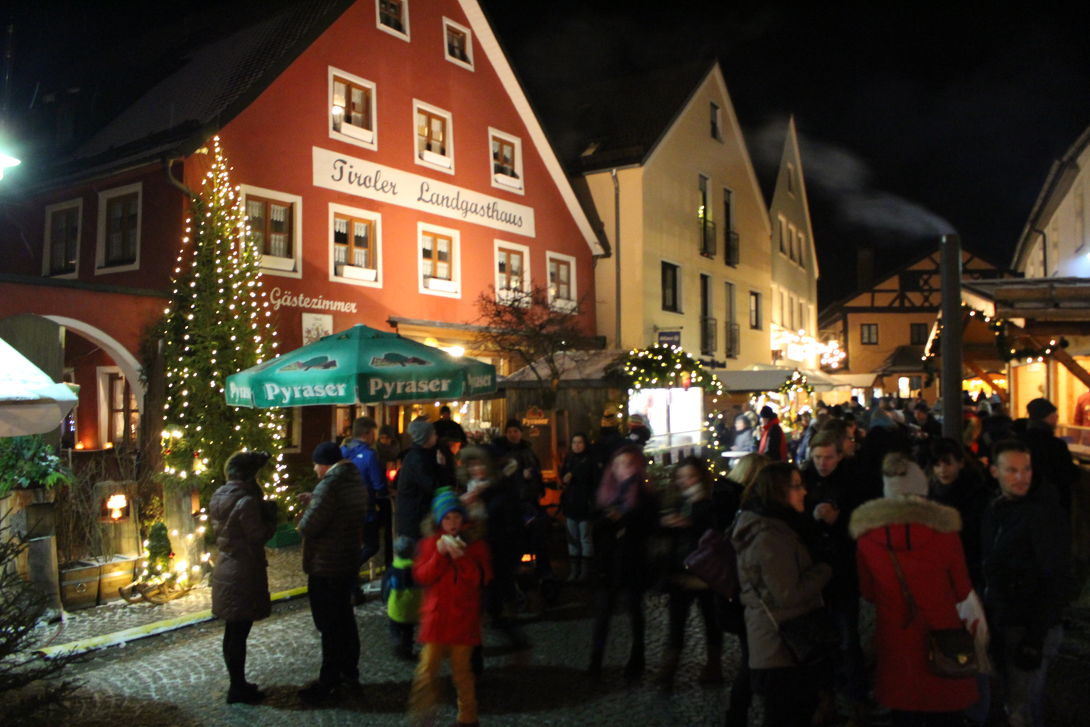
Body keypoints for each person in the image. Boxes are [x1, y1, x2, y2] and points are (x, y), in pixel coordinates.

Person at [850, 453, 979, 726]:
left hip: (895, 635)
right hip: (942, 638)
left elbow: (868, 592)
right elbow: (961, 589)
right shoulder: (945, 533)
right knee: (944, 713)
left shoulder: (867, 539)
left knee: (904, 711)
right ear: (923, 490)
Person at [731, 462, 832, 727]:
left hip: (784, 646)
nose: (804, 492)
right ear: (777, 492)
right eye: (796, 486)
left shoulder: (780, 526)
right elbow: (788, 593)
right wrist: (825, 569)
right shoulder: (768, 536)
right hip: (778, 649)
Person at [982, 440, 1070, 727]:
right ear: (994, 471)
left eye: (1026, 469)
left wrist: (1035, 635)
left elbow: (1053, 576)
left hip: (1030, 625)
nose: (1021, 477)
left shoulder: (1041, 515)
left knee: (1024, 706)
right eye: (1012, 470)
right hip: (1004, 619)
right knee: (1014, 698)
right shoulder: (996, 509)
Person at [408, 487, 492, 727]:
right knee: (427, 671)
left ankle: (467, 718)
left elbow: (482, 578)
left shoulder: (475, 544)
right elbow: (422, 575)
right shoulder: (429, 543)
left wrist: (462, 558)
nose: (452, 523)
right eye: (447, 518)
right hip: (436, 618)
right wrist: (439, 555)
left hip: (463, 618)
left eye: (456, 517)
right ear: (439, 519)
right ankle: (422, 717)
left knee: (462, 673)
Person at [802, 431, 869, 724]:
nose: (823, 463)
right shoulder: (804, 480)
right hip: (814, 571)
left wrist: (839, 520)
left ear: (840, 456)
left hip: (843, 570)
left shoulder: (855, 481)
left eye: (828, 457)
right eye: (818, 457)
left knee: (847, 638)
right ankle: (825, 698)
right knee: (820, 639)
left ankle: (856, 699)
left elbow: (863, 521)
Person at [296, 441, 370, 704]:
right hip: (347, 560)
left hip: (326, 564)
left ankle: (329, 682)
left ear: (325, 464)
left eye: (316, 464)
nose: (315, 469)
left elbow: (309, 526)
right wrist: (315, 498)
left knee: (329, 624)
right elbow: (339, 513)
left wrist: (308, 510)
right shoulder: (354, 479)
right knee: (344, 619)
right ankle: (350, 671)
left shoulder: (329, 484)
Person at [209, 450, 278, 704]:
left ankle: (237, 683)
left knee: (232, 632)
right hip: (243, 572)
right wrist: (271, 518)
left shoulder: (219, 495)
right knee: (239, 633)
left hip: (226, 567)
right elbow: (257, 535)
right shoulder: (247, 501)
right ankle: (237, 688)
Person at [588, 444, 659, 683]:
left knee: (635, 610)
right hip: (608, 563)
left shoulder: (646, 494)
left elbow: (650, 526)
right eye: (618, 464)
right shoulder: (606, 491)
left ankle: (637, 657)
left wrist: (626, 519)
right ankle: (595, 660)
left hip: (633, 561)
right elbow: (595, 528)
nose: (622, 469)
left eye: (628, 464)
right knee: (603, 612)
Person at [656, 456, 723, 692]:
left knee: (711, 621)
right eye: (682, 477)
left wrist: (691, 523)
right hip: (680, 573)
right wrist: (667, 523)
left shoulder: (709, 502)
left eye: (691, 476)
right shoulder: (675, 500)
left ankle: (714, 666)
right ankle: (667, 671)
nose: (686, 481)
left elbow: (715, 535)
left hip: (704, 574)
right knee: (676, 623)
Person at [928, 438, 991, 591]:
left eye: (948, 464)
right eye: (937, 465)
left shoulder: (976, 493)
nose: (942, 470)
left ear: (960, 463)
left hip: (969, 565)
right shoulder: (931, 493)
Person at [341, 416, 389, 598]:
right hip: (364, 509)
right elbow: (379, 485)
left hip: (344, 509)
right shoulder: (369, 455)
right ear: (367, 434)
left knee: (353, 546)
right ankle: (349, 575)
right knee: (371, 545)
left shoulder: (343, 451)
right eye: (373, 433)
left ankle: (352, 588)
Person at [1018, 397, 1079, 511]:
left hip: (1024, 500)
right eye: (1055, 415)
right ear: (1048, 417)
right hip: (1053, 504)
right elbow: (1068, 474)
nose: (1057, 418)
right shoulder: (1056, 445)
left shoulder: (1019, 441)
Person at [559, 432, 601, 582]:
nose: (577, 445)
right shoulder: (569, 459)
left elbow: (595, 483)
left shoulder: (590, 460)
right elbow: (563, 478)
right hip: (571, 505)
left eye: (580, 442)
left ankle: (584, 572)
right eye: (574, 442)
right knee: (572, 539)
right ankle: (574, 571)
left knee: (584, 538)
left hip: (585, 506)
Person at [396, 417, 442, 541]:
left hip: (415, 515)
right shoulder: (418, 459)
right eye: (433, 434)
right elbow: (432, 486)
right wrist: (441, 466)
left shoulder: (421, 454)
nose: (436, 437)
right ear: (426, 437)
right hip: (415, 518)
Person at [384, 535, 422, 661]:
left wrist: (385, 600)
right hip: (414, 609)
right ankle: (407, 651)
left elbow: (386, 588)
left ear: (395, 552)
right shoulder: (419, 569)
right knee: (408, 631)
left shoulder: (393, 570)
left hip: (397, 607)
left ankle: (396, 642)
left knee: (394, 626)